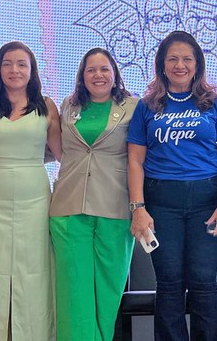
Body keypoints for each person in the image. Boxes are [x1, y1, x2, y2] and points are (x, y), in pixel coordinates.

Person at [127, 30, 217, 341]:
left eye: (187, 59)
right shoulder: (147, 106)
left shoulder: (212, 104)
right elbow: (134, 160)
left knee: (204, 281)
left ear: (197, 64)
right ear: (162, 65)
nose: (180, 65)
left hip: (207, 201)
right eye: (173, 59)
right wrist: (138, 208)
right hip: (161, 203)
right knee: (169, 282)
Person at [0, 41, 61, 341]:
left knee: (35, 267)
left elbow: (62, 154)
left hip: (36, 197)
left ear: (32, 70)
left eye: (21, 64)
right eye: (7, 63)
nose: (14, 70)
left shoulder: (47, 105)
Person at [49, 47, 138, 341]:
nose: (98, 75)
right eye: (91, 70)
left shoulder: (134, 107)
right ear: (82, 75)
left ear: (114, 74)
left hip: (115, 207)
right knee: (73, 294)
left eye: (104, 69)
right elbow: (55, 149)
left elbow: (141, 157)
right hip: (69, 208)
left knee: (108, 293)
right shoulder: (68, 106)